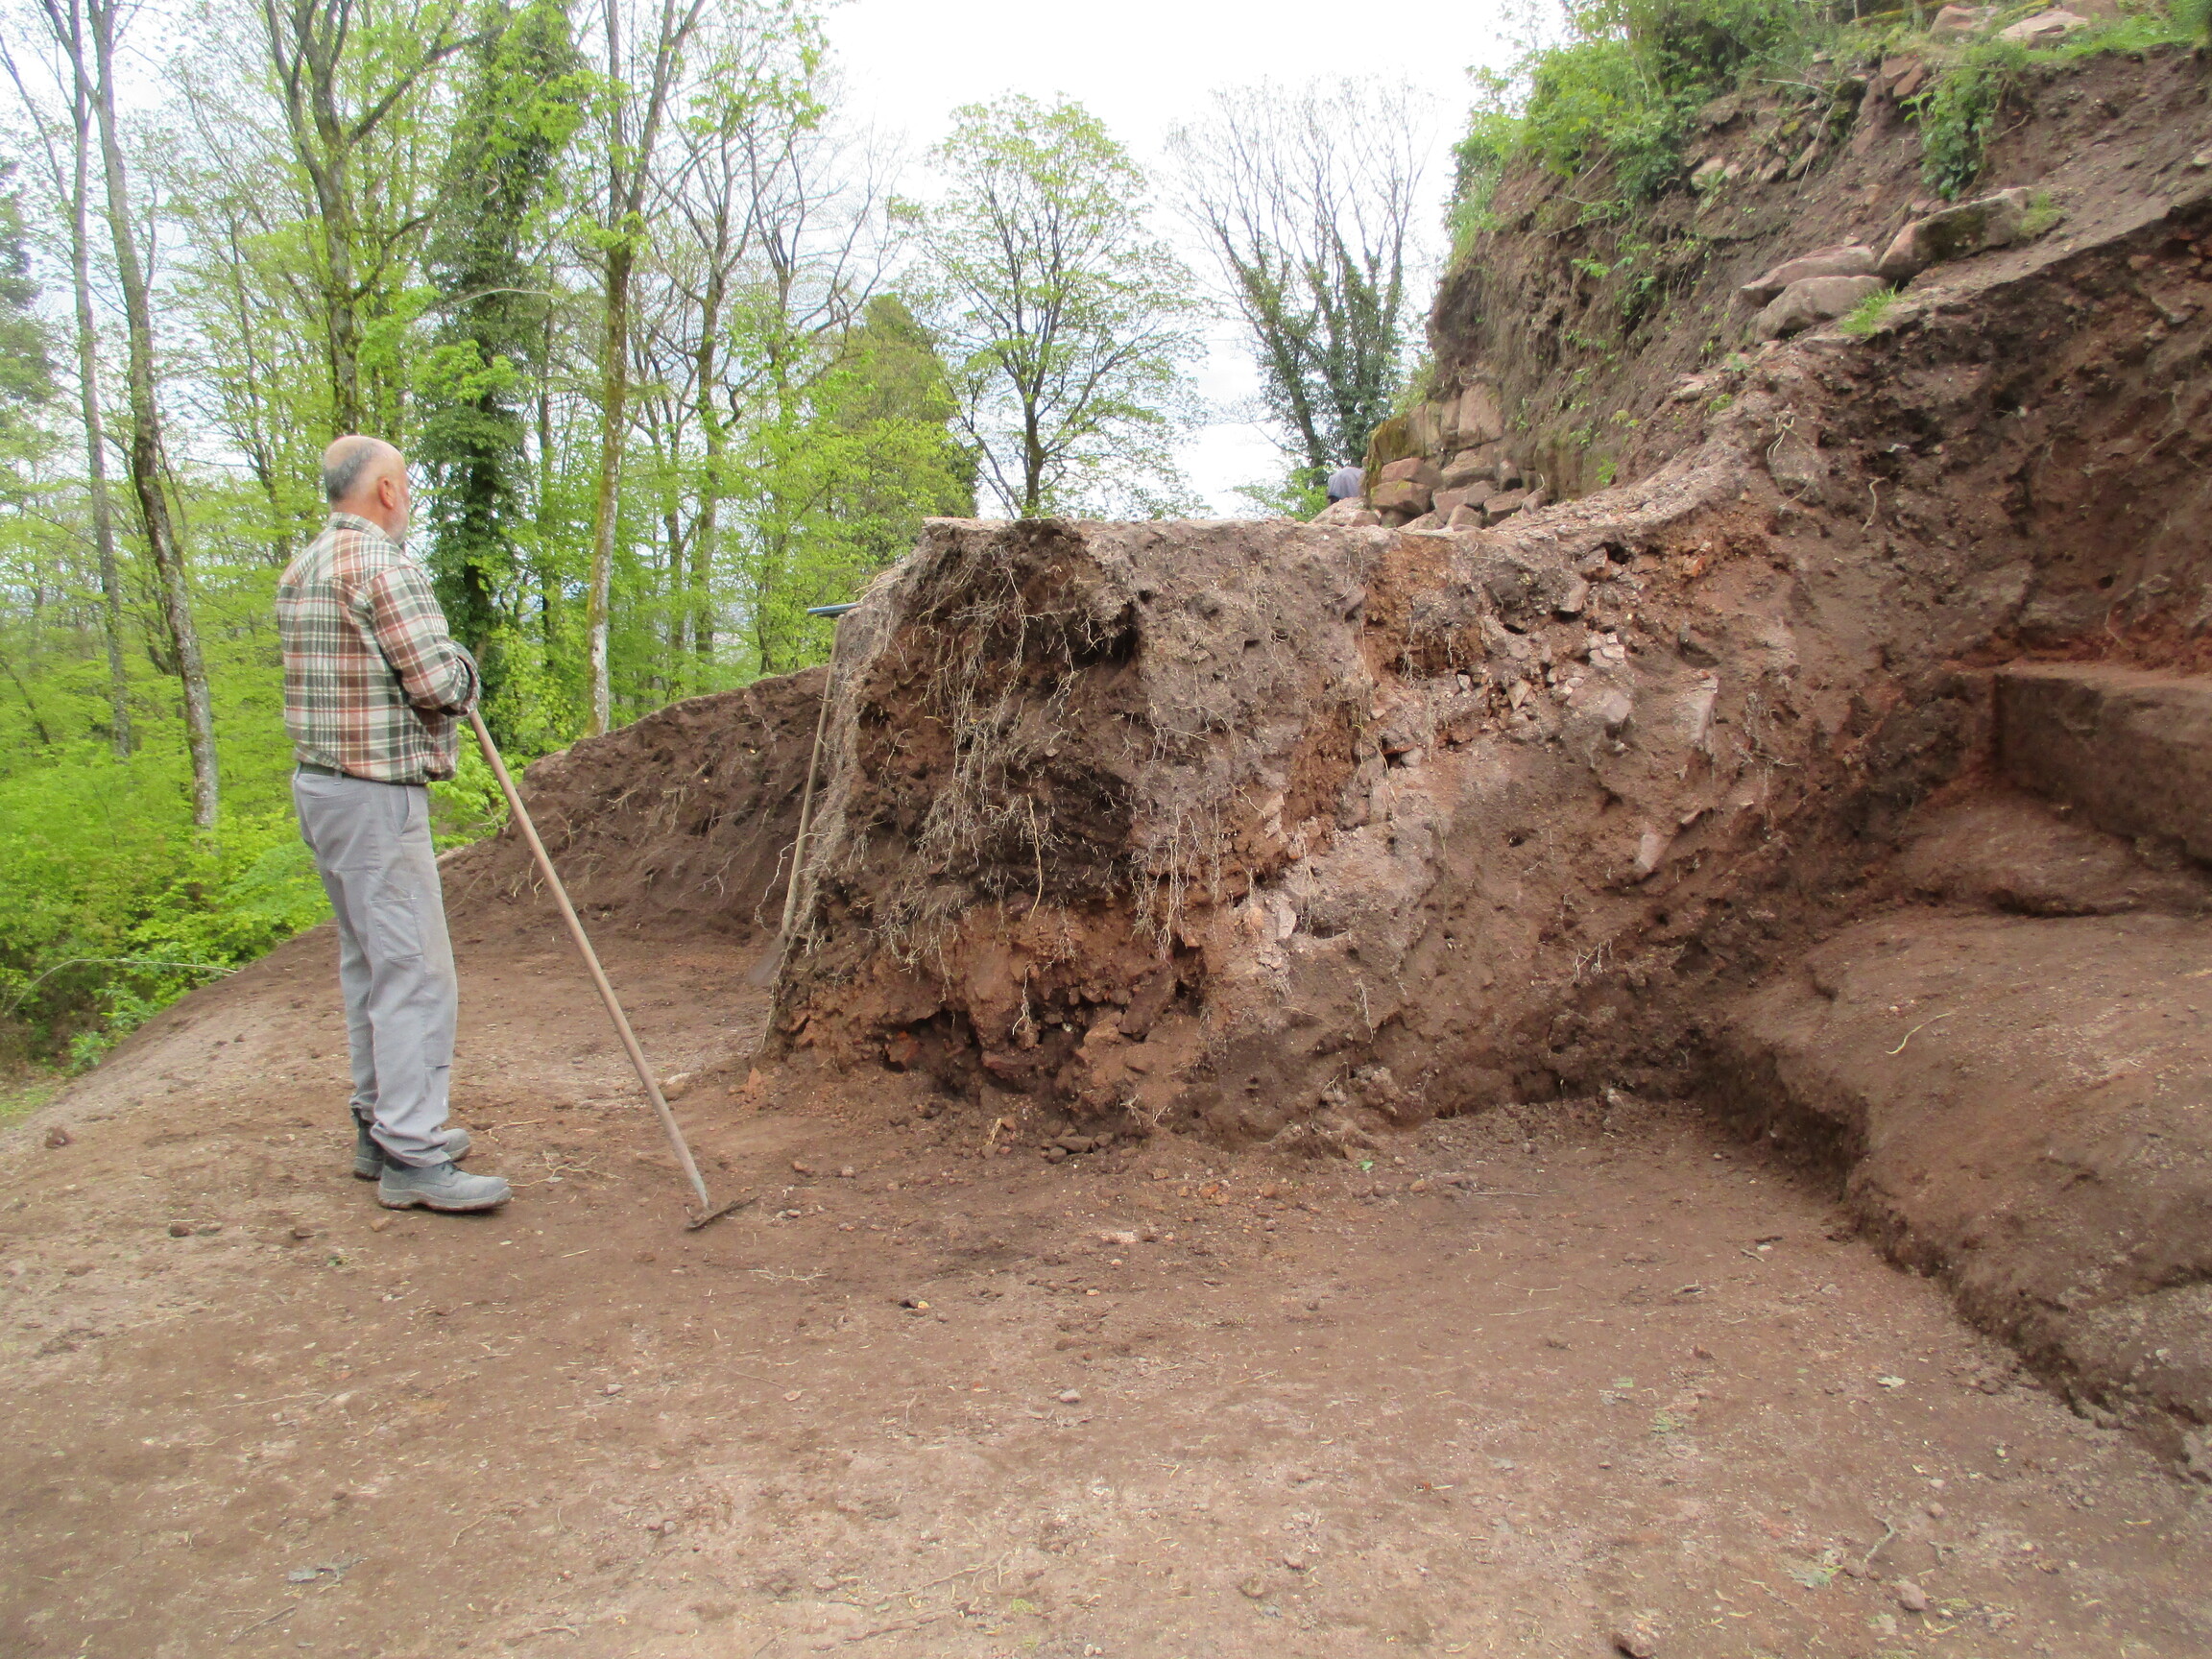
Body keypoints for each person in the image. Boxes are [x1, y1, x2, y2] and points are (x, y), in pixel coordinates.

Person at [276, 436, 511, 1214]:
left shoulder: (303, 567)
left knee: (370, 964)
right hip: (375, 799)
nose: (407, 496)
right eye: (403, 483)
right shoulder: (383, 567)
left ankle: (379, 1128)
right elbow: (441, 686)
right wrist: (465, 665)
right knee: (413, 972)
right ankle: (413, 1152)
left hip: (321, 789)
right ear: (384, 489)